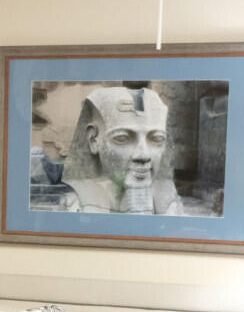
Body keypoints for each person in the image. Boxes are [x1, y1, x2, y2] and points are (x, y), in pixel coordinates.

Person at [60, 85, 184, 215]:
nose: (143, 155)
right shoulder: (77, 209)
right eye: (122, 138)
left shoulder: (170, 208)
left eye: (156, 139)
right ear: (93, 140)